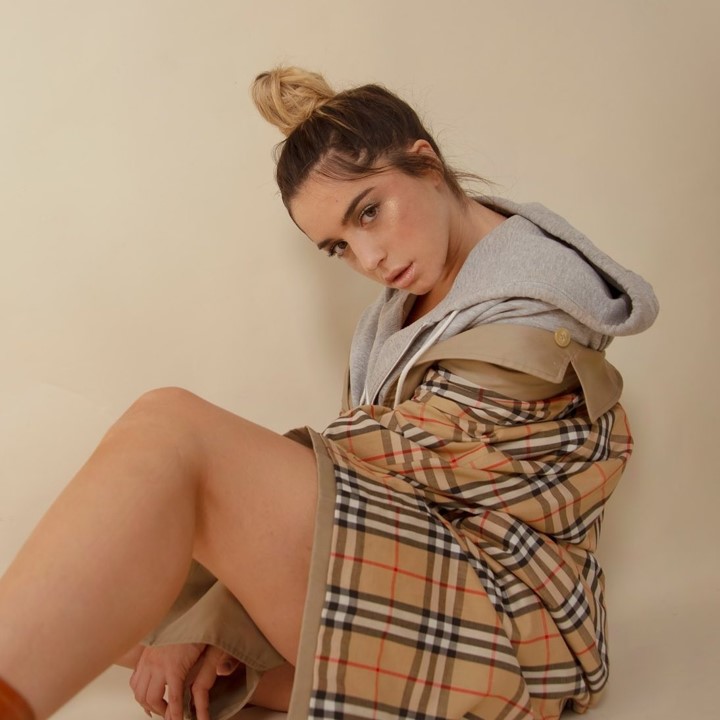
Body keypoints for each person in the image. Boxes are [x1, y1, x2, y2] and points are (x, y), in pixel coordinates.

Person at [0, 66, 658, 720]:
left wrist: (209, 616)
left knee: (170, 431)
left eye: (370, 212)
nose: (369, 258)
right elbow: (378, 487)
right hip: (430, 585)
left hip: (516, 634)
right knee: (108, 597)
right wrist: (197, 617)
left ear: (427, 164)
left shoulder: (534, 305)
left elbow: (393, 479)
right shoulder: (405, 305)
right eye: (339, 246)